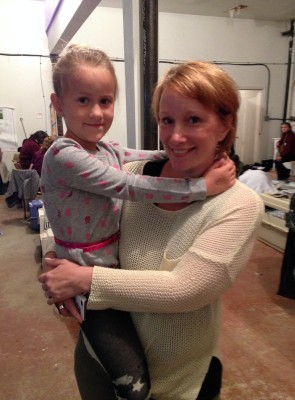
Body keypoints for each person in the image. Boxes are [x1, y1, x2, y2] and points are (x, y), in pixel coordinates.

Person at [39, 60, 264, 400]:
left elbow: (184, 290)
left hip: (174, 384)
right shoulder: (132, 173)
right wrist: (56, 262)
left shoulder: (238, 204)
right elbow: (77, 215)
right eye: (166, 120)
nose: (175, 136)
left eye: (194, 120)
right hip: (99, 359)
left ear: (224, 124)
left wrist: (82, 279)